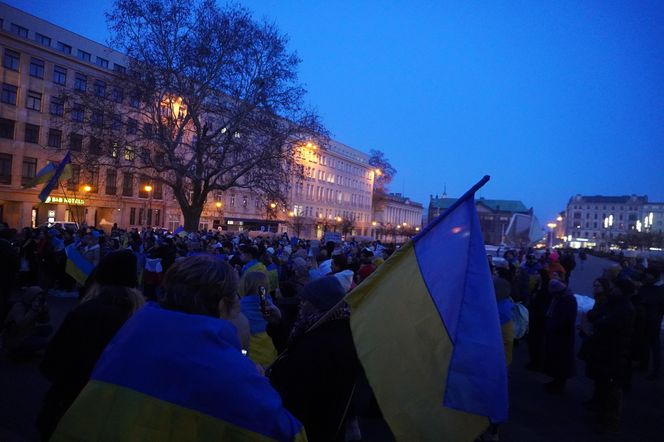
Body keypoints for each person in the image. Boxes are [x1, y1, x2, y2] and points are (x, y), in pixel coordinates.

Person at [52, 255, 305, 441]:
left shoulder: (132, 332)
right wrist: (253, 377)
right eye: (234, 299)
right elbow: (288, 434)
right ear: (222, 304)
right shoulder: (227, 368)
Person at [267, 275, 360, 441]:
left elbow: (297, 380)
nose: (301, 305)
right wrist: (279, 324)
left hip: (313, 427)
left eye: (305, 301)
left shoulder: (325, 341)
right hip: (324, 422)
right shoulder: (327, 325)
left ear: (319, 304)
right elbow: (295, 348)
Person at [583, 279, 635, 434]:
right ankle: (601, 414)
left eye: (615, 288)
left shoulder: (625, 308)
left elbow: (607, 323)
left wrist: (598, 320)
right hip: (604, 349)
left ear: (622, 290)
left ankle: (610, 422)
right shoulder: (612, 303)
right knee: (602, 383)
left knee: (612, 389)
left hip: (615, 352)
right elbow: (595, 315)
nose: (612, 290)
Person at [543, 278, 577, 394]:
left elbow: (564, 319)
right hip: (558, 333)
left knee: (561, 360)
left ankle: (559, 383)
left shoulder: (567, 300)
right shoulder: (561, 297)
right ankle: (556, 380)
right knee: (556, 359)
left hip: (563, 335)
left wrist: (552, 326)